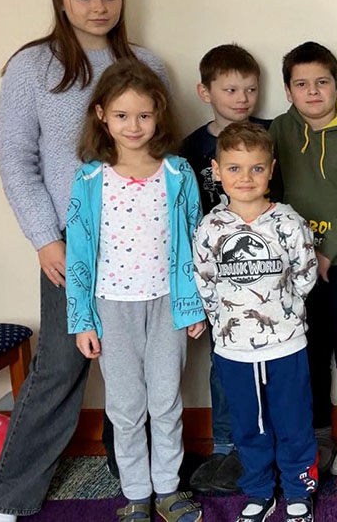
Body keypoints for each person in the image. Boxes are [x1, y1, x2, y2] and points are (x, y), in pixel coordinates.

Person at [0, 0, 169, 522]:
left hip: (145, 240)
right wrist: (46, 237)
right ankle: (9, 496)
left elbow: (162, 151)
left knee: (147, 368)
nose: (99, 7)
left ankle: (142, 483)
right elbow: (16, 160)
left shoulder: (147, 63)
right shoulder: (32, 67)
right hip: (74, 238)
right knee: (65, 363)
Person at [66, 60, 205, 522]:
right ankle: (137, 496)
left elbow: (193, 239)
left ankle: (167, 489)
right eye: (122, 116)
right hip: (111, 306)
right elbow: (80, 255)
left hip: (167, 304)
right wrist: (81, 319)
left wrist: (194, 306)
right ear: (102, 115)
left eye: (144, 115)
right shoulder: (90, 179)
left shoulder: (178, 173)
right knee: (126, 409)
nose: (134, 126)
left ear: (158, 115)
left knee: (166, 401)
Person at [194, 122, 320, 522]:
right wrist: (221, 322)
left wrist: (285, 315)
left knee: (294, 420)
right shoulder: (210, 227)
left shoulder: (288, 222)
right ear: (216, 170)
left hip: (286, 344)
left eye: (256, 168)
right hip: (233, 350)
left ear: (272, 169)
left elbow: (305, 274)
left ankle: (299, 488)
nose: (245, 178)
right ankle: (259, 489)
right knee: (249, 425)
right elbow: (205, 281)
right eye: (233, 168)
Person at [269, 42, 337, 477]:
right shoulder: (278, 129)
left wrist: (327, 251)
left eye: (322, 82)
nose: (312, 92)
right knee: (306, 353)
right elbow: (267, 191)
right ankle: (314, 434)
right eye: (301, 84)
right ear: (288, 90)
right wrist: (297, 253)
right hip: (293, 266)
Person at [182, 43, 268, 494]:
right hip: (220, 278)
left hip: (268, 274)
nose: (242, 98)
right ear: (205, 90)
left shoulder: (271, 135)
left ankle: (272, 441)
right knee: (224, 363)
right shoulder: (193, 147)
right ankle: (225, 446)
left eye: (250, 89)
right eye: (230, 88)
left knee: (276, 363)